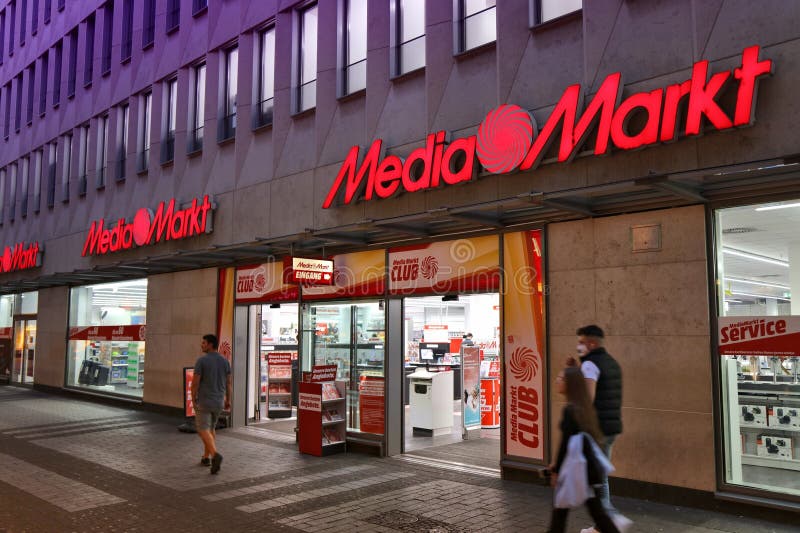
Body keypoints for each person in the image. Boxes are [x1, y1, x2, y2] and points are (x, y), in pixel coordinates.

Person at [547, 366, 619, 533]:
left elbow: (565, 444)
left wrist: (556, 470)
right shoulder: (583, 408)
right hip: (586, 471)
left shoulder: (570, 410)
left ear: (570, 384)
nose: (557, 381)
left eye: (561, 378)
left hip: (575, 471)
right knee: (596, 513)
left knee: (562, 512)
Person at [575, 325, 629, 533]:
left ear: (591, 343)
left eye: (581, 342)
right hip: (611, 427)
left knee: (595, 477)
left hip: (596, 430)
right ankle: (603, 523)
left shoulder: (590, 365)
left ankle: (608, 520)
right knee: (598, 475)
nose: (578, 346)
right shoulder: (611, 362)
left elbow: (587, 399)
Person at [191, 334, 231, 475]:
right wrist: (228, 400)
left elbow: (195, 382)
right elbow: (228, 383)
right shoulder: (225, 361)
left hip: (205, 401)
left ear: (210, 344)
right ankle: (206, 457)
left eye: (204, 343)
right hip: (219, 401)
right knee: (211, 428)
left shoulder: (202, 361)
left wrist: (193, 397)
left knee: (202, 429)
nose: (201, 345)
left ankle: (215, 455)